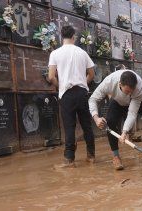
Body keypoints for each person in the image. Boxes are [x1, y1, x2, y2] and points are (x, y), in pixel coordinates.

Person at [47, 26, 96, 167]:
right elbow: (91, 74)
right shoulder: (82, 53)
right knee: (86, 125)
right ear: (74, 36)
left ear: (61, 37)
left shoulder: (55, 53)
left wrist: (60, 85)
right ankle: (91, 156)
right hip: (82, 93)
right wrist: (82, 83)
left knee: (69, 127)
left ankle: (69, 159)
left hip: (66, 94)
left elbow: (51, 77)